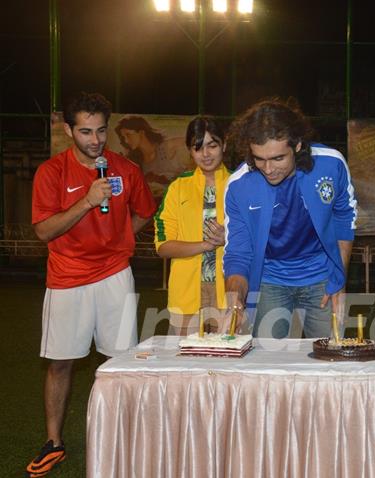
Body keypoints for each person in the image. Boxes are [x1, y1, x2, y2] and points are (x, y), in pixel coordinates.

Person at [28, 92, 155, 477]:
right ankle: (54, 442)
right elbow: (44, 231)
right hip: (67, 277)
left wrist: (120, 240)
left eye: (101, 130)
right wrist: (86, 202)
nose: (95, 139)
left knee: (120, 363)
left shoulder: (126, 170)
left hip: (115, 274)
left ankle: (123, 438)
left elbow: (145, 213)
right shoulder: (51, 173)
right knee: (61, 362)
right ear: (69, 130)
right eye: (85, 131)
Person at [223, 99, 357, 338]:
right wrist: (235, 302)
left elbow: (343, 220)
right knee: (269, 363)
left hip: (321, 277)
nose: (268, 168)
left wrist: (339, 278)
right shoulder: (238, 185)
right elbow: (238, 253)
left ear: (297, 146)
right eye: (259, 158)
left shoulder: (331, 164)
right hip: (269, 280)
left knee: (331, 358)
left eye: (277, 158)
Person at [154, 117, 231, 335]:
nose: (205, 154)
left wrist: (229, 237)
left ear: (224, 144)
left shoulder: (240, 184)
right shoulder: (178, 188)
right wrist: (206, 245)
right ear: (190, 151)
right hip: (186, 295)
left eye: (212, 145)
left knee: (228, 363)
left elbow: (258, 236)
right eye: (198, 147)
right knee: (184, 365)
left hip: (230, 292)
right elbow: (163, 246)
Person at [115, 115, 192, 199]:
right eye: (123, 137)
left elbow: (195, 142)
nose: (126, 140)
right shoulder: (134, 160)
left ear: (141, 132)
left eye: (128, 135)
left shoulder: (166, 147)